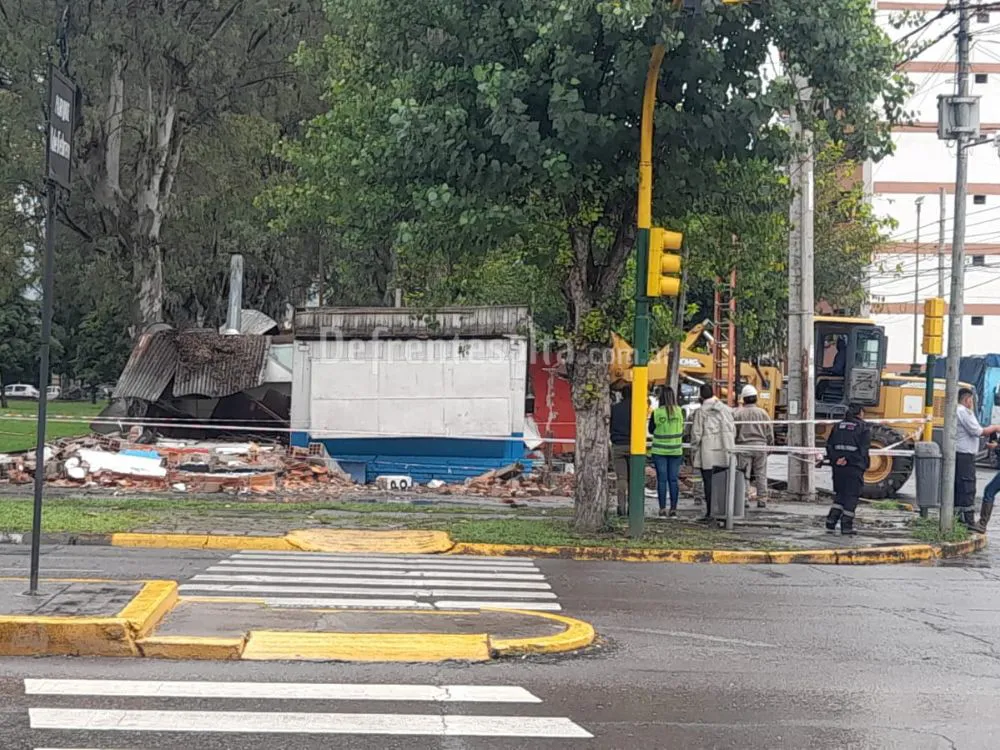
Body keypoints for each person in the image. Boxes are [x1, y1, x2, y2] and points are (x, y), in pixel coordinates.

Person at [955, 387, 1000, 531]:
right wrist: (995, 432)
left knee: (986, 490)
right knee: (970, 487)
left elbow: (978, 431)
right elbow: (978, 431)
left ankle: (979, 523)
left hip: (963, 454)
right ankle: (972, 521)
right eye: (972, 400)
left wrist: (996, 445)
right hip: (964, 455)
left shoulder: (959, 411)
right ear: (968, 400)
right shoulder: (963, 412)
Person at [690, 383, 736, 521]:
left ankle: (710, 512)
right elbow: (733, 430)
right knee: (723, 484)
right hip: (725, 452)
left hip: (708, 453)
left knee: (709, 484)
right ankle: (724, 511)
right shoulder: (726, 410)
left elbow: (696, 434)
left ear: (701, 396)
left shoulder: (701, 412)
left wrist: (693, 450)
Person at [825, 403, 871, 536]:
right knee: (852, 495)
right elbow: (863, 450)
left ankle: (831, 521)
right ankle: (846, 526)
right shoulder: (863, 428)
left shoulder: (837, 426)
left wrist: (836, 459)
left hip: (838, 467)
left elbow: (829, 445)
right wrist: (850, 460)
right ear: (860, 413)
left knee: (840, 493)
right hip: (854, 467)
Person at [733, 384, 774, 509]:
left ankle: (744, 499)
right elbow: (769, 432)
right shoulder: (763, 413)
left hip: (743, 447)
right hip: (760, 447)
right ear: (756, 398)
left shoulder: (738, 414)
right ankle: (762, 500)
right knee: (761, 474)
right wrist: (770, 445)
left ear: (744, 399)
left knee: (744, 474)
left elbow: (734, 432)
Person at [649, 385, 685, 518]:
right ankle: (674, 509)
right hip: (675, 450)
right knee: (673, 480)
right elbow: (682, 428)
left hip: (659, 450)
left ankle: (662, 509)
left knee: (662, 480)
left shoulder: (657, 413)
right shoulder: (680, 411)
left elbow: (651, 430)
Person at [609, 386, 632, 517]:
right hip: (634, 447)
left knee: (621, 478)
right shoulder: (637, 408)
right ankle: (633, 507)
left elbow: (610, 426)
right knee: (633, 478)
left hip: (618, 445)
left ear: (622, 395)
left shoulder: (615, 408)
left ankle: (621, 507)